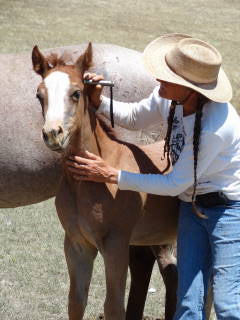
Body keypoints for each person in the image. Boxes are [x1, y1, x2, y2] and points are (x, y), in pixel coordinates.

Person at [66, 33, 240, 319]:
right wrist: (99, 102)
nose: (158, 81)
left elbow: (174, 184)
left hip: (228, 211)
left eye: (166, 78)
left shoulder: (216, 126)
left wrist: (112, 174)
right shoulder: (172, 101)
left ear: (189, 89)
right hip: (191, 206)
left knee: (227, 302)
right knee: (188, 300)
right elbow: (135, 116)